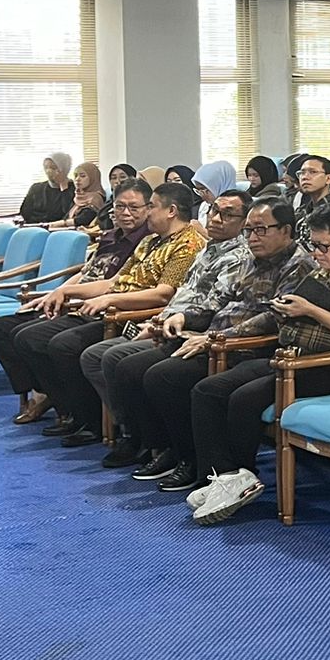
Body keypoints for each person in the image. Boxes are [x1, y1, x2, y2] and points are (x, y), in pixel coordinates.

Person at [185, 203, 330, 523]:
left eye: (324, 246)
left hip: (328, 367)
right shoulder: (319, 272)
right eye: (313, 245)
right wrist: (285, 310)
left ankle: (243, 476)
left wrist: (309, 309)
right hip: (289, 356)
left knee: (243, 399)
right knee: (208, 390)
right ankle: (222, 476)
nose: (317, 253)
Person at [129, 198, 313, 489]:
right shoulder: (250, 259)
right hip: (212, 339)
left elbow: (273, 317)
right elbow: (218, 300)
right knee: (142, 368)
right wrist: (184, 316)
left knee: (165, 376)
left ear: (286, 230)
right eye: (249, 230)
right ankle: (176, 451)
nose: (252, 237)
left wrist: (215, 338)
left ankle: (197, 463)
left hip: (245, 348)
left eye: (261, 230)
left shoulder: (299, 265)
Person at [18, 182, 207, 447]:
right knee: (35, 337)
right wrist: (66, 291)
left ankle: (123, 429)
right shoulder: (149, 241)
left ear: (171, 211)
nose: (147, 212)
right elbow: (113, 282)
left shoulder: (188, 244)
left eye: (151, 206)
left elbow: (164, 294)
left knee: (71, 347)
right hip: (113, 308)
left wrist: (108, 300)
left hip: (135, 315)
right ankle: (96, 418)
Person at [77, 189, 252, 467]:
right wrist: (158, 321)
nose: (216, 219)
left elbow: (212, 307)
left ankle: (158, 445)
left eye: (227, 214)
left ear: (244, 222)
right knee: (100, 356)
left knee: (132, 366)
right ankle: (137, 436)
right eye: (214, 211)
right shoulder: (206, 249)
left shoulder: (236, 256)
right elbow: (181, 295)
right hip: (167, 323)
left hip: (194, 333)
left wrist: (164, 322)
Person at [0, 178, 153, 424]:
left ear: (149, 208)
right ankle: (50, 394)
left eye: (134, 207)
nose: (125, 213)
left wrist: (67, 295)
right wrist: (56, 292)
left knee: (32, 338)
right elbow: (86, 271)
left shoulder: (147, 242)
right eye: (120, 206)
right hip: (75, 298)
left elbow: (113, 284)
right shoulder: (110, 235)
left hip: (97, 306)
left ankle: (71, 409)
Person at [292, 155, 330, 248]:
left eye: (313, 172)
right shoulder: (301, 210)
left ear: (328, 179)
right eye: (302, 173)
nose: (305, 177)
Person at [18, 152, 74, 224]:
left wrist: (63, 187)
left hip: (59, 227)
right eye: (46, 167)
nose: (48, 171)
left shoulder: (75, 189)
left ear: (64, 169)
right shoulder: (36, 188)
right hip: (36, 226)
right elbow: (25, 213)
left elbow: (68, 213)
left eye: (53, 168)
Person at [53, 161, 107, 230]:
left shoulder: (96, 198)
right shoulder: (79, 196)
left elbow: (83, 220)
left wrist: (56, 224)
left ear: (93, 178)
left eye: (82, 176)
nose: (77, 179)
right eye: (75, 176)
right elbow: (65, 213)